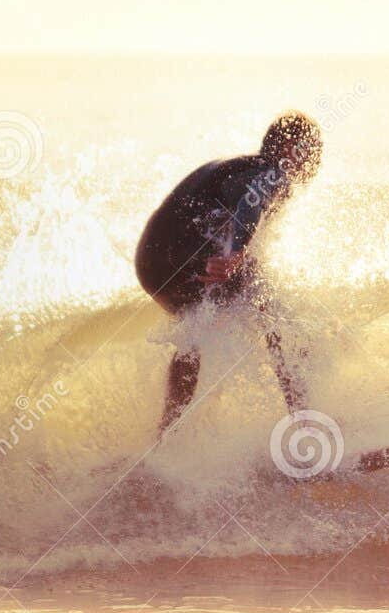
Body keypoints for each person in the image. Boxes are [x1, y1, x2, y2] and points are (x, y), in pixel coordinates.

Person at [135, 111, 322, 431]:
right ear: (291, 148)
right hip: (181, 255)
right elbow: (251, 203)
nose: (316, 162)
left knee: (195, 328)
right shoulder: (273, 172)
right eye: (312, 150)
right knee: (276, 316)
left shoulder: (240, 166)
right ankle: (307, 423)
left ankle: (165, 436)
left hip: (151, 265)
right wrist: (237, 251)